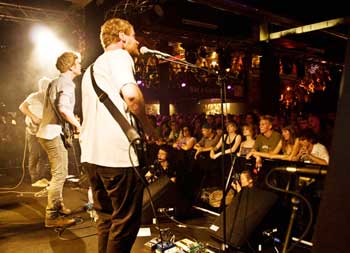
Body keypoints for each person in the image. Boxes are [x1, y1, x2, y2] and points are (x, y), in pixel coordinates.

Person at [79, 18, 154, 253]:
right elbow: (132, 97)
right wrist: (150, 128)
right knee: (124, 225)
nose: (137, 41)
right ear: (122, 37)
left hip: (92, 155)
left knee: (106, 220)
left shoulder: (90, 69)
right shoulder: (120, 57)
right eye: (133, 36)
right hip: (117, 157)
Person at [36, 51, 82, 227]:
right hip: (53, 133)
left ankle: (59, 205)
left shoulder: (55, 81)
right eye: (78, 63)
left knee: (59, 172)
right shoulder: (67, 83)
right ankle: (52, 216)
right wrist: (78, 126)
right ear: (71, 66)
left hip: (46, 132)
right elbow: (63, 108)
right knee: (60, 173)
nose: (80, 65)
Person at [19, 77, 51, 187]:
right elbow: (22, 107)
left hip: (43, 130)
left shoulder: (49, 99)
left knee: (43, 154)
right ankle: (34, 179)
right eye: (46, 86)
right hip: (32, 129)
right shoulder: (34, 96)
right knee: (34, 153)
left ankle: (41, 178)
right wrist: (33, 117)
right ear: (41, 86)